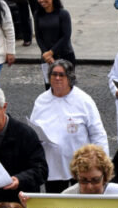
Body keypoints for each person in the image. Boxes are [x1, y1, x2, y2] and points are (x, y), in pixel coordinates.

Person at [30, 61, 108, 192]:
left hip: (81, 168)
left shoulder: (84, 100)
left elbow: (98, 133)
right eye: (54, 74)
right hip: (52, 167)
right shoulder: (41, 101)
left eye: (62, 75)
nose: (57, 78)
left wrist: (102, 164)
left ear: (70, 78)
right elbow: (32, 132)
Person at [33, 0, 75, 84]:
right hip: (47, 57)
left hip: (64, 54)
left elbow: (66, 36)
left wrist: (51, 52)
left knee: (67, 86)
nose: (41, 0)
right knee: (49, 87)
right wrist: (46, 54)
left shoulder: (63, 14)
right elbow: (38, 36)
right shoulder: (37, 15)